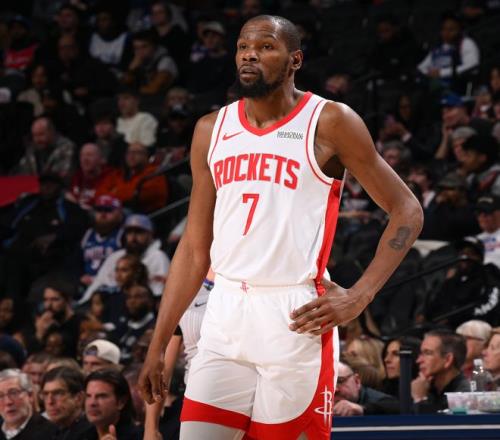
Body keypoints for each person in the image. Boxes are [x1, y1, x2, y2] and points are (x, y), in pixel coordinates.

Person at [139, 15, 423, 440]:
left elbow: (407, 210)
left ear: (295, 60)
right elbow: (195, 249)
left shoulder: (330, 121)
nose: (250, 54)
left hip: (295, 315)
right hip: (224, 310)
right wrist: (158, 343)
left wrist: (359, 296)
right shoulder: (210, 130)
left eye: (266, 46)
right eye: (243, 47)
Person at [411, 329, 470, 413]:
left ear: (448, 360)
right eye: (421, 354)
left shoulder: (463, 395)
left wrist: (420, 399)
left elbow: (439, 420)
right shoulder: (427, 388)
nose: (418, 360)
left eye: (427, 353)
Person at [0, 369, 57, 440]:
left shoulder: (51, 433)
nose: (8, 402)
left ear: (30, 395)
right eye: (0, 396)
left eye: (14, 393)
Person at [84, 369, 140, 439]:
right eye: (88, 396)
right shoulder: (82, 435)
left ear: (121, 402)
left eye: (101, 396)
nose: (92, 403)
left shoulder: (140, 436)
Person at [40, 366, 91, 438]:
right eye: (45, 394)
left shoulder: (92, 432)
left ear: (79, 398)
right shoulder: (45, 432)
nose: (50, 401)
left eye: (58, 393)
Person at [334, 361, 399, 416]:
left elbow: (396, 408)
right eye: (328, 385)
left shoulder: (381, 401)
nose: (335, 389)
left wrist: (363, 410)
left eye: (340, 381)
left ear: (357, 381)